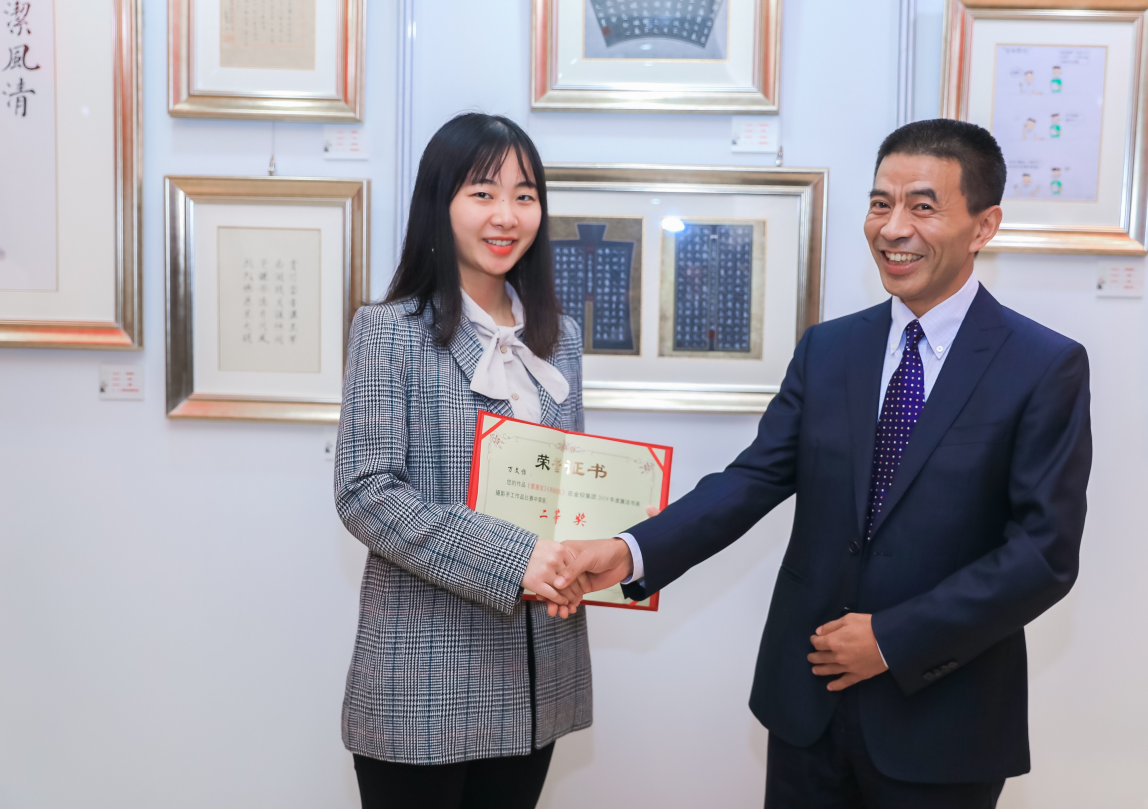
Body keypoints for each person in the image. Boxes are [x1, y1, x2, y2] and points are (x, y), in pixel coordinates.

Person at [560, 119, 1093, 808]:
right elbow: (754, 477)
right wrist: (630, 550)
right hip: (807, 707)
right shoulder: (829, 349)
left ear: (983, 225)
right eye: (880, 204)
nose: (893, 228)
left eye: (922, 207)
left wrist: (891, 639)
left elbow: (1043, 554)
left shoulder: (1042, 365)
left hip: (943, 720)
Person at [334, 113, 589, 809]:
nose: (506, 215)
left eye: (524, 195)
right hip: (422, 673)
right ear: (439, 205)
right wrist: (515, 559)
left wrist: (585, 555)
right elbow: (367, 493)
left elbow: (569, 486)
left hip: (538, 672)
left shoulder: (559, 338)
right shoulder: (388, 331)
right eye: (482, 193)